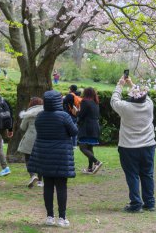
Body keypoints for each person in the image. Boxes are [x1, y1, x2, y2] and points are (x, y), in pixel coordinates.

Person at [27, 90, 78, 227]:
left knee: (48, 186)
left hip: (44, 155)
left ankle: (50, 216)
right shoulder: (64, 116)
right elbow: (74, 132)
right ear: (57, 101)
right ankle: (62, 218)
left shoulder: (40, 116)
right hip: (61, 155)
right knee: (61, 187)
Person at [110, 76, 156, 213]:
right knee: (147, 174)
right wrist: (131, 84)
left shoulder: (125, 107)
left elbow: (114, 100)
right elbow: (143, 95)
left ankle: (136, 203)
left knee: (132, 175)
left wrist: (120, 84)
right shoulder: (149, 104)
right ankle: (149, 203)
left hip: (128, 147)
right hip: (148, 145)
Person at [17, 97, 44, 188]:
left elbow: (22, 127)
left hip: (30, 138)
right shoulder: (46, 112)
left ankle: (33, 175)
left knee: (28, 159)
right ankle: (40, 181)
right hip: (43, 138)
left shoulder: (28, 114)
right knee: (41, 160)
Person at [77, 87, 103, 174]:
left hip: (86, 127)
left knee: (82, 147)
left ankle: (97, 162)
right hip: (95, 126)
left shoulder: (84, 102)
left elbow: (81, 115)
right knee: (89, 147)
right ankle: (90, 168)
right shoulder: (96, 103)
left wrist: (76, 111)